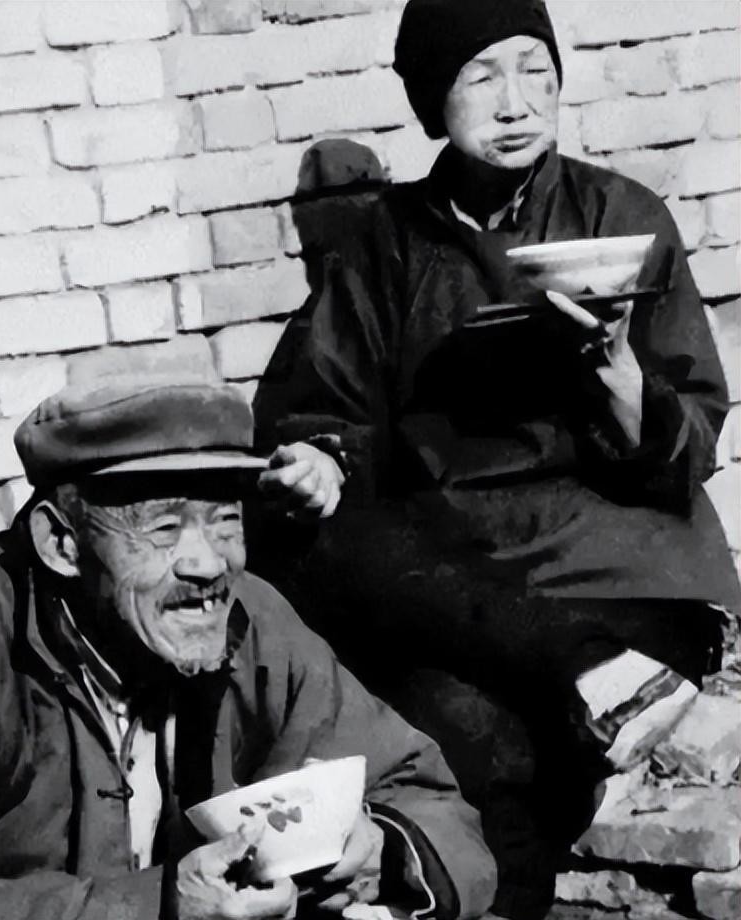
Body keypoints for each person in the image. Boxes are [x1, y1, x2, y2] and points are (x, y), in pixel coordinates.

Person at [250, 1, 741, 918]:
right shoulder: (383, 243)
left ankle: (590, 680)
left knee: (484, 737)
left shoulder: (621, 216)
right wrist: (318, 461)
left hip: (619, 577)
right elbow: (321, 407)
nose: (516, 103)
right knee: (443, 700)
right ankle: (580, 673)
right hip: (464, 586)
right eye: (482, 75)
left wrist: (617, 371)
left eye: (535, 71)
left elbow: (691, 450)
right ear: (430, 100)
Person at [0, 377, 497, 920]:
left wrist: (381, 851)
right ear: (62, 544)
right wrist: (157, 907)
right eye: (164, 530)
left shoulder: (248, 620)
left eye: (225, 522)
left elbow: (429, 800)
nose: (209, 564)